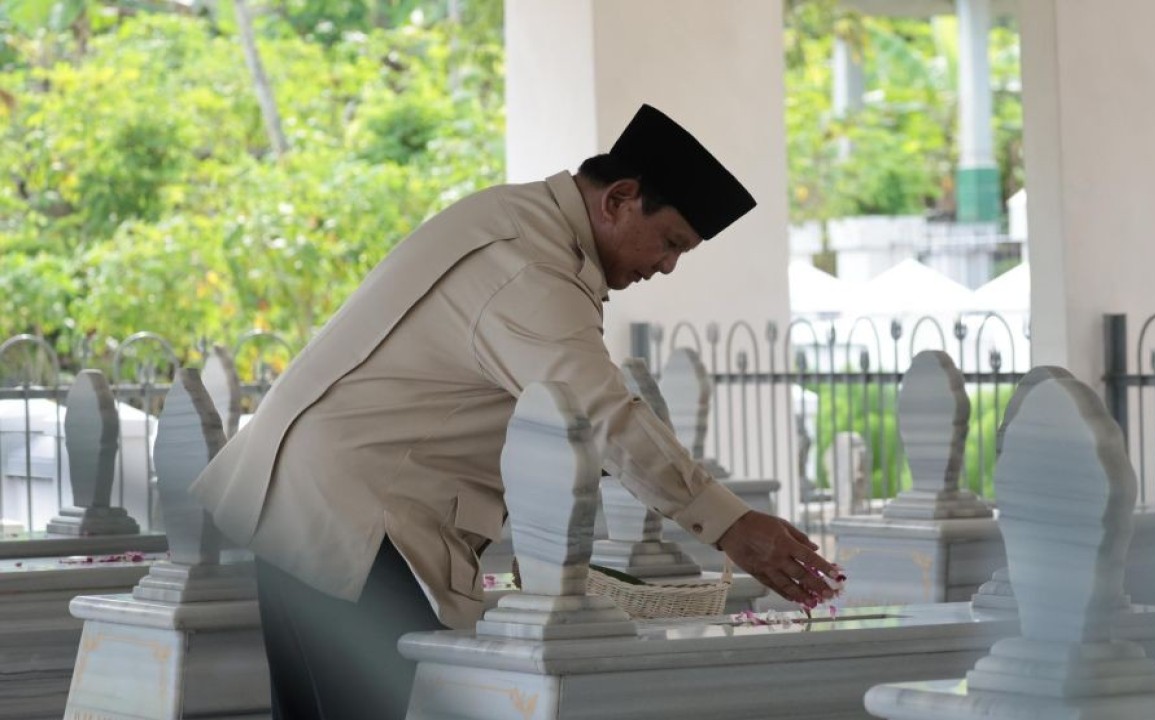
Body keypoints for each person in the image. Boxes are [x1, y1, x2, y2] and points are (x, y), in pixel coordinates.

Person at [191, 104, 840, 720]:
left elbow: (570, 420)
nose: (666, 266)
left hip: (325, 502)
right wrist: (730, 524)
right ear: (618, 199)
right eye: (669, 242)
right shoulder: (529, 264)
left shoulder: (521, 221)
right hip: (357, 521)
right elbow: (601, 414)